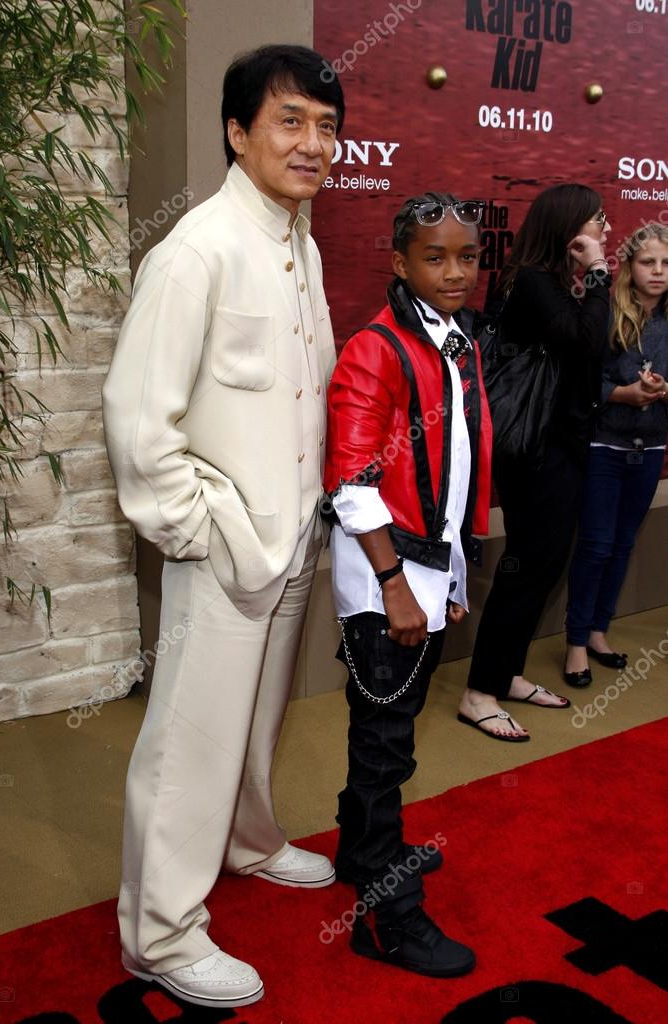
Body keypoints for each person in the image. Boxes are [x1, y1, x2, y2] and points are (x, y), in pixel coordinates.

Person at [102, 45, 344, 1010]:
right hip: (224, 544)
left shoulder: (301, 240)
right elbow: (135, 414)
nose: (313, 142)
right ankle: (158, 932)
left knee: (255, 718)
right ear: (238, 132)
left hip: (293, 537)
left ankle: (246, 839)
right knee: (188, 741)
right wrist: (197, 529)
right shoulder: (195, 248)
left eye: (327, 124)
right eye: (290, 121)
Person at [323, 192, 492, 976]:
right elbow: (352, 487)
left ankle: (360, 852)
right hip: (382, 574)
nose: (455, 271)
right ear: (399, 262)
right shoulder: (375, 349)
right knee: (385, 743)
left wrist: (452, 573)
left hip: (428, 566)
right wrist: (394, 585)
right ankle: (387, 921)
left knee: (390, 729)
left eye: (466, 255)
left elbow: (453, 476)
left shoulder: (457, 342)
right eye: (436, 257)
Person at [456, 183, 612, 741]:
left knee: (543, 565)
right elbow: (587, 340)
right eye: (598, 222)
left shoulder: (545, 283)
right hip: (538, 452)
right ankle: (478, 694)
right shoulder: (532, 283)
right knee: (527, 566)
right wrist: (597, 273)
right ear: (569, 228)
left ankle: (505, 674)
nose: (606, 232)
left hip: (560, 447)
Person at [565, 222, 668, 683]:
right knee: (596, 546)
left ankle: (597, 631)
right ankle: (574, 645)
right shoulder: (605, 313)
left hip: (652, 448)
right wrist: (621, 394)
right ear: (629, 265)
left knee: (623, 544)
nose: (659, 272)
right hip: (605, 446)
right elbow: (580, 383)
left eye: (666, 264)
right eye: (648, 262)